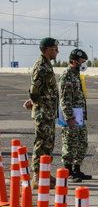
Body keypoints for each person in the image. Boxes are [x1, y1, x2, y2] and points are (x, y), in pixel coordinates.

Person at [23, 37, 59, 189]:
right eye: (55, 49)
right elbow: (34, 90)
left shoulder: (47, 65)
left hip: (49, 112)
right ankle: (37, 176)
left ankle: (45, 172)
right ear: (47, 50)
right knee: (41, 143)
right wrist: (35, 102)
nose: (57, 51)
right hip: (43, 112)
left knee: (49, 143)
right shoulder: (41, 66)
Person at [58, 49, 92, 183]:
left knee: (82, 143)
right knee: (69, 144)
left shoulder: (76, 74)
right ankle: (68, 171)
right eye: (82, 61)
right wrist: (69, 118)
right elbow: (64, 99)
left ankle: (77, 169)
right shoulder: (67, 75)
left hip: (79, 116)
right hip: (71, 117)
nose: (84, 64)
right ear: (74, 61)